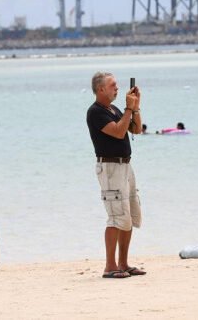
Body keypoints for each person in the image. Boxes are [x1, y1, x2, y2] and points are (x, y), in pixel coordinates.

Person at [86, 71, 146, 279]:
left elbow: (136, 130)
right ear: (101, 89)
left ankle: (123, 263)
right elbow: (119, 132)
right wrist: (129, 108)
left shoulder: (114, 109)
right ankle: (110, 266)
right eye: (113, 85)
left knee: (128, 215)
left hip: (125, 166)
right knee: (116, 216)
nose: (117, 88)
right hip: (110, 168)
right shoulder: (95, 112)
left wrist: (135, 107)